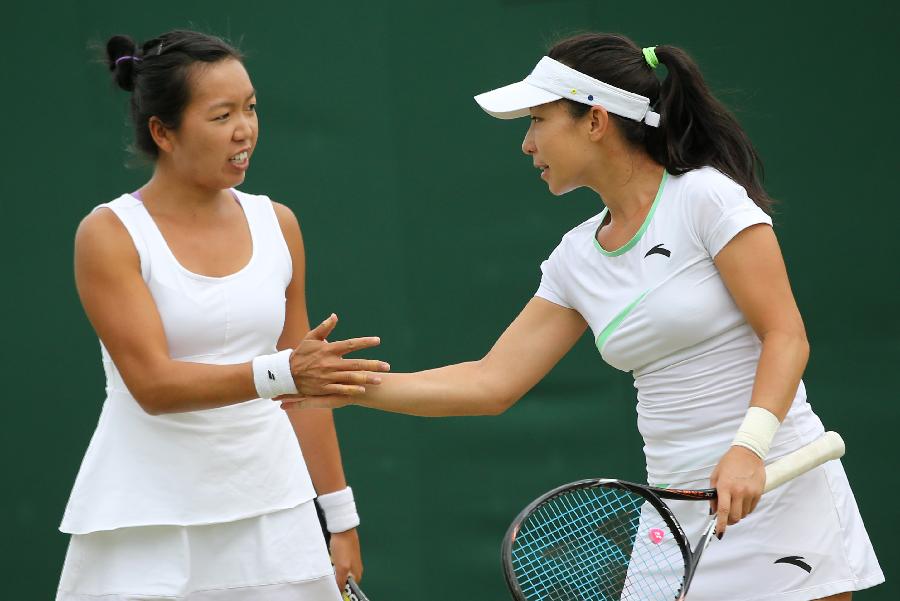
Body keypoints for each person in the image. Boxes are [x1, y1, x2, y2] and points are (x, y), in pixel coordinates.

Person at [285, 33, 884, 600]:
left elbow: (786, 335)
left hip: (776, 484)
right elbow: (490, 383)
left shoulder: (706, 198)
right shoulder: (575, 258)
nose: (527, 144)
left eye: (537, 122)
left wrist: (750, 449)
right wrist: (356, 388)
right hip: (673, 512)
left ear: (595, 120)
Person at [57, 29, 390, 601]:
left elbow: (304, 391)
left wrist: (340, 517)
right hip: (145, 518)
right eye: (221, 115)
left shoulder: (278, 224)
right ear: (163, 132)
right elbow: (154, 386)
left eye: (251, 108)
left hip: (274, 513)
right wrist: (283, 373)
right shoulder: (109, 234)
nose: (245, 130)